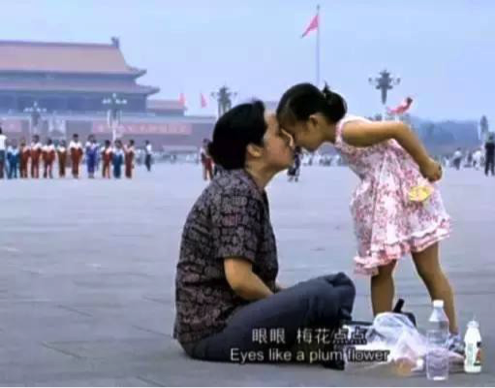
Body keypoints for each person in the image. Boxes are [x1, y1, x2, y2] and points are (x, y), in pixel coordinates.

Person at [276, 84, 462, 352]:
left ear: (313, 122)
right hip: (390, 196)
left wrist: (426, 163)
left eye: (294, 134)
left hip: (407, 194)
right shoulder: (341, 133)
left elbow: (399, 129)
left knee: (427, 270)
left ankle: (451, 334)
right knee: (383, 269)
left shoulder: (349, 131)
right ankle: (385, 332)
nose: (296, 144)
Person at [174, 100, 355, 367]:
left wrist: (287, 303)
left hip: (236, 316)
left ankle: (315, 340)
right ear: (254, 150)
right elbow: (240, 280)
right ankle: (315, 340)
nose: (290, 140)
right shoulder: (236, 193)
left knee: (338, 285)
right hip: (215, 330)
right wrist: (287, 308)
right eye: (280, 134)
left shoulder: (248, 189)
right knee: (320, 296)